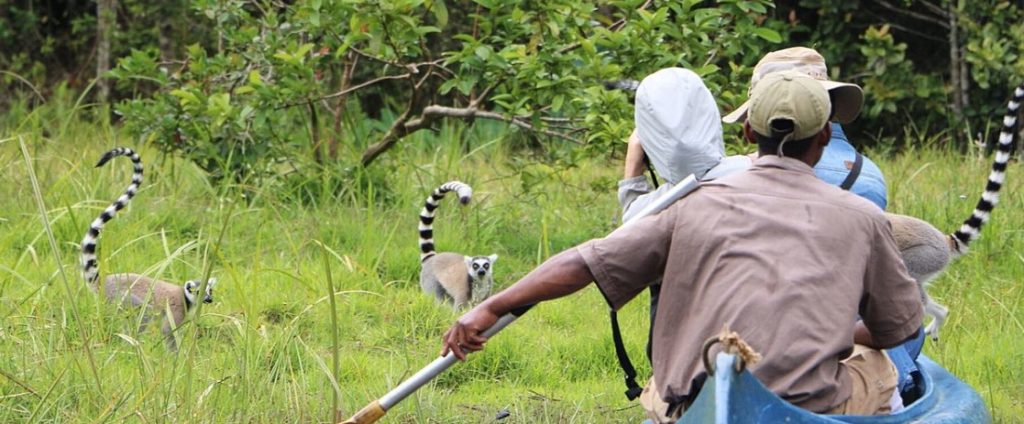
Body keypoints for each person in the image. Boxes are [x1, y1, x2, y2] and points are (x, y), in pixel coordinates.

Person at [441, 71, 923, 422]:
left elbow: (586, 260)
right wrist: (832, 331)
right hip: (809, 405)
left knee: (667, 382)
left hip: (696, 403)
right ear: (825, 136)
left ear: (749, 132)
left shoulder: (689, 205)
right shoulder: (862, 217)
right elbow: (894, 330)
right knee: (881, 367)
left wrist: (488, 309)